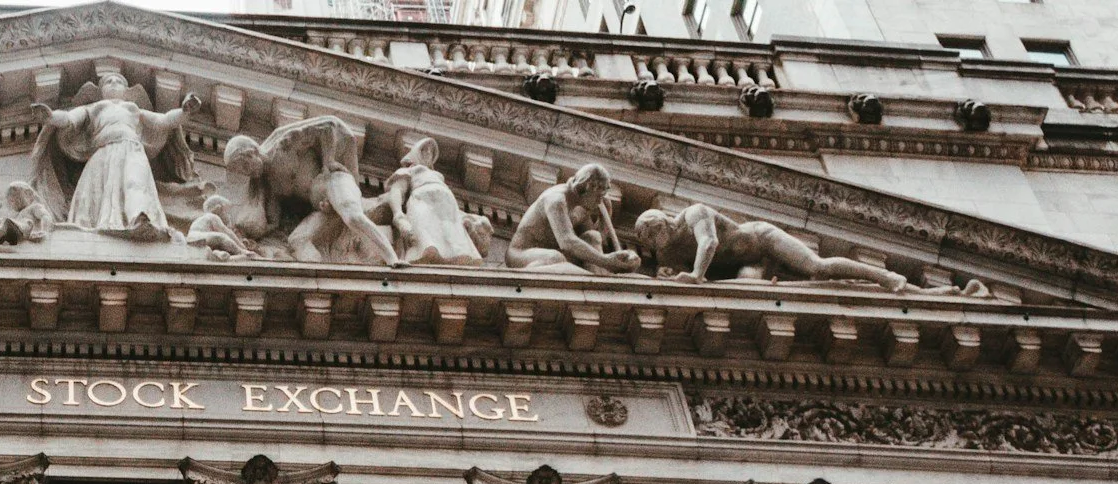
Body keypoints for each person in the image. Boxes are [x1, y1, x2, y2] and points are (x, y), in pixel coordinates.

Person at [28, 67, 197, 241]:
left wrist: (185, 112)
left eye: (119, 82)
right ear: (101, 91)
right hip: (103, 153)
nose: (114, 83)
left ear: (126, 91)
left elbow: (163, 120)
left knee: (135, 183)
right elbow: (69, 119)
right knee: (95, 193)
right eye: (109, 81)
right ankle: (93, 225)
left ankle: (139, 217)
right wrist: (50, 116)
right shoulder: (94, 108)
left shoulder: (133, 109)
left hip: (132, 151)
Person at [220, 114, 398, 266]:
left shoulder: (283, 143)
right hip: (322, 207)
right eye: (241, 170)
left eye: (244, 165)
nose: (246, 171)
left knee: (352, 217)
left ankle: (393, 259)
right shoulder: (267, 184)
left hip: (331, 181)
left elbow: (327, 126)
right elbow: (274, 218)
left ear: (252, 151)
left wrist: (328, 162)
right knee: (297, 241)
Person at [629, 202, 911, 290]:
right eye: (648, 243)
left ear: (662, 224)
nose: (654, 245)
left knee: (817, 267)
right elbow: (675, 281)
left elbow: (709, 242)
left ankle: (886, 277)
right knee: (746, 290)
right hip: (747, 265)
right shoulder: (666, 251)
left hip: (762, 240)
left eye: (653, 236)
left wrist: (695, 275)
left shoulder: (693, 214)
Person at [504, 163, 639, 274]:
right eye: (598, 196)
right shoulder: (556, 200)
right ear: (587, 187)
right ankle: (592, 280)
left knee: (592, 236)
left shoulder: (581, 206)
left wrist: (606, 220)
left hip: (560, 254)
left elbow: (590, 246)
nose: (600, 202)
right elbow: (567, 242)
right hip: (522, 254)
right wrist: (607, 261)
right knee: (555, 258)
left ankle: (600, 283)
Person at [382, 135, 484, 266]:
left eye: (431, 151)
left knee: (453, 241)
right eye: (424, 149)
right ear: (416, 153)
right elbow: (397, 190)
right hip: (422, 202)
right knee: (425, 236)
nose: (428, 153)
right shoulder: (410, 170)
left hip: (447, 210)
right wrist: (398, 214)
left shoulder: (438, 176)